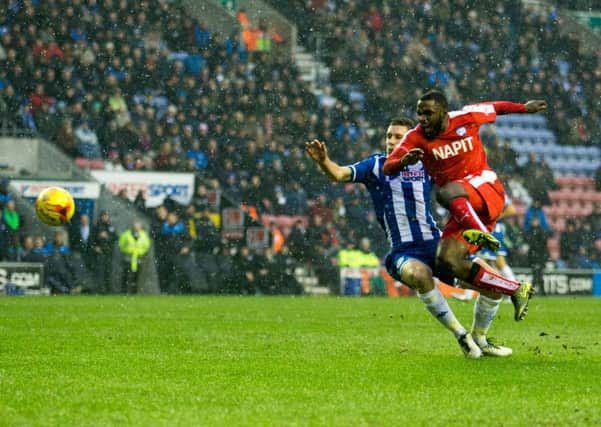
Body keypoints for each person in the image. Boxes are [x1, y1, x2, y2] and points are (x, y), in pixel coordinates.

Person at [306, 117, 508, 358]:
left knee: (493, 283)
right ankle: (461, 335)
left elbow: (459, 183)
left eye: (398, 137)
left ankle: (481, 339)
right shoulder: (376, 165)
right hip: (404, 251)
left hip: (437, 246)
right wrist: (323, 161)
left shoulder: (428, 166)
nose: (391, 141)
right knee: (419, 274)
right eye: (389, 136)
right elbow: (339, 174)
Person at [383, 90, 547, 321]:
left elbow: (495, 106)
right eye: (419, 113)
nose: (422, 118)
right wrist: (403, 161)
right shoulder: (416, 136)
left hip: (485, 186)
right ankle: (515, 289)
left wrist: (523, 108)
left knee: (446, 191)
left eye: (428, 113)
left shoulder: (466, 116)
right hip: (462, 207)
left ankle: (479, 232)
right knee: (447, 261)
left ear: (443, 112)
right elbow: (387, 166)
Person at [118, 221, 151, 294]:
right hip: (128, 257)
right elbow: (121, 244)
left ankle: (134, 292)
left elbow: (147, 246)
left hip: (138, 258)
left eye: (138, 226)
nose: (137, 228)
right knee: (126, 275)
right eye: (135, 226)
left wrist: (140, 252)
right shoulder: (127, 234)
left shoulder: (143, 235)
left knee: (136, 276)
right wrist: (127, 250)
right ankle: (124, 291)